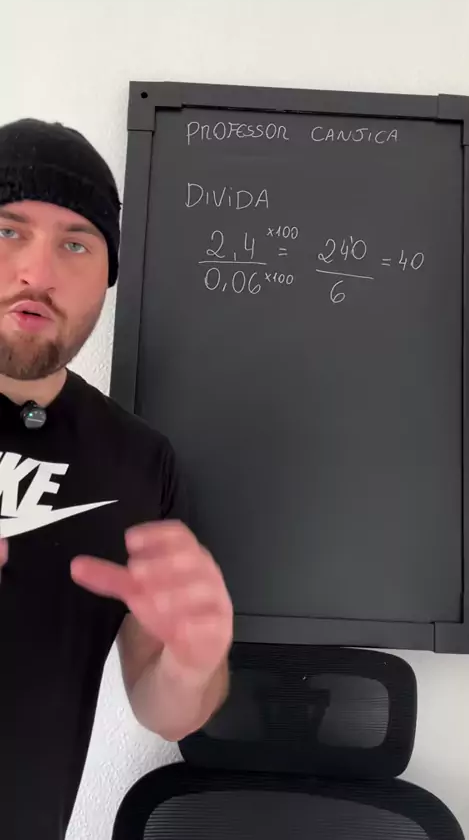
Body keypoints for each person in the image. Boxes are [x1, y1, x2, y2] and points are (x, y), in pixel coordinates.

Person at [0, 117, 233, 839]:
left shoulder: (139, 461)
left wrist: (193, 666)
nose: (37, 272)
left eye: (76, 243)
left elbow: (164, 708)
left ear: (108, 276)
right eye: (8, 230)